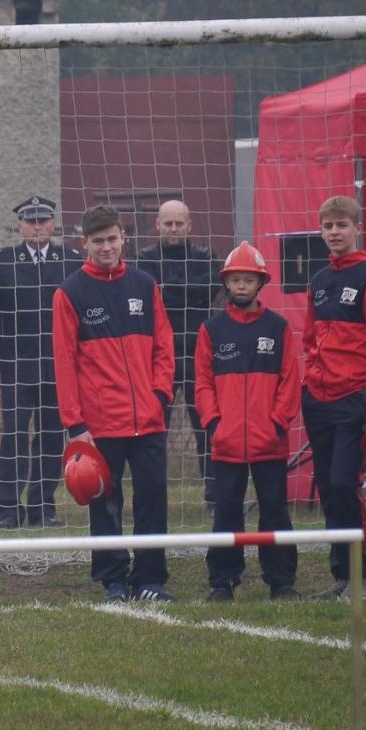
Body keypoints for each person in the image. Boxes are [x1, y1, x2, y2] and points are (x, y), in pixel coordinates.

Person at [53, 204, 176, 602]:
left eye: (112, 239)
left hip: (149, 418)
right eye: (98, 241)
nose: (106, 247)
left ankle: (150, 579)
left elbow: (164, 347)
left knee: (153, 496)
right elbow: (65, 362)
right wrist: (75, 423)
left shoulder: (145, 284)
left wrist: (160, 395)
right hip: (99, 422)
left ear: (124, 238)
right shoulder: (70, 292)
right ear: (84, 243)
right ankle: (114, 581)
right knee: (104, 503)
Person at [193, 242, 300, 601]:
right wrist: (214, 424)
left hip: (269, 441)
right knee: (225, 514)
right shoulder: (211, 329)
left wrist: (277, 423)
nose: (241, 286)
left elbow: (289, 381)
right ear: (226, 284)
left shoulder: (278, 327)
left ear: (260, 283)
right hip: (226, 443)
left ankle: (281, 582)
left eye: (248, 279)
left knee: (274, 513)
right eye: (235, 279)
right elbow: (203, 383)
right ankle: (222, 582)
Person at [301, 196, 366, 599]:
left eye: (341, 225)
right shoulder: (319, 281)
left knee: (343, 483)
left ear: (358, 228)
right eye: (327, 227)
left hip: (354, 398)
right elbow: (309, 337)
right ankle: (343, 576)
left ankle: (361, 576)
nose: (334, 233)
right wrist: (310, 383)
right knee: (327, 487)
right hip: (318, 399)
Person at [0, 195, 75, 528]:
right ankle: (8, 509)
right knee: (14, 436)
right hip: (16, 365)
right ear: (20, 226)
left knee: (52, 437)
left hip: (57, 367)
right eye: (31, 221)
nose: (37, 227)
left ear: (52, 224)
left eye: (43, 220)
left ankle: (42, 506)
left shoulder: (70, 261)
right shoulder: (3, 261)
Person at [135, 199, 218, 505]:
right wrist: (187, 287)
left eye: (178, 223)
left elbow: (211, 285)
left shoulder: (204, 256)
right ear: (157, 225)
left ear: (189, 224)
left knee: (207, 428)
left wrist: (169, 287)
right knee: (155, 431)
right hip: (159, 359)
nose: (172, 228)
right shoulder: (144, 258)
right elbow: (147, 291)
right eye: (167, 223)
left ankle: (214, 498)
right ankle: (153, 498)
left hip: (199, 355)